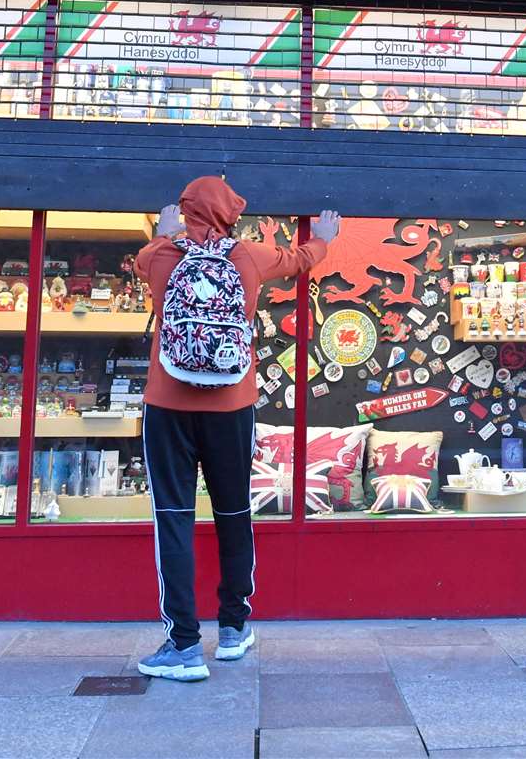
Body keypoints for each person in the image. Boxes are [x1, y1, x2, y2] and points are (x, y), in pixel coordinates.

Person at [132, 176, 339, 681]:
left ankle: (182, 644)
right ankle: (232, 629)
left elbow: (142, 261)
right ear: (231, 215)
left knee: (174, 518)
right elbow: (299, 260)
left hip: (168, 406)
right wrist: (325, 239)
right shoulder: (247, 256)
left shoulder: (161, 255)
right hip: (232, 406)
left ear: (185, 211)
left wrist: (163, 233)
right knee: (234, 511)